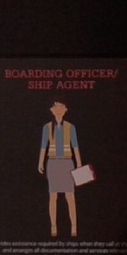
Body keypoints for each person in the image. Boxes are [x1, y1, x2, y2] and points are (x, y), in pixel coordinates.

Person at [38, 100, 81, 237]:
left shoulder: (70, 127)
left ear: (65, 110)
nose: (58, 109)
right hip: (53, 163)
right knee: (53, 196)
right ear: (51, 110)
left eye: (61, 107)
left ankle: (74, 225)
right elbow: (43, 146)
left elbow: (75, 146)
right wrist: (40, 162)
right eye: (56, 107)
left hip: (67, 163)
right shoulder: (47, 127)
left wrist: (79, 163)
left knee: (70, 195)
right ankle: (53, 226)